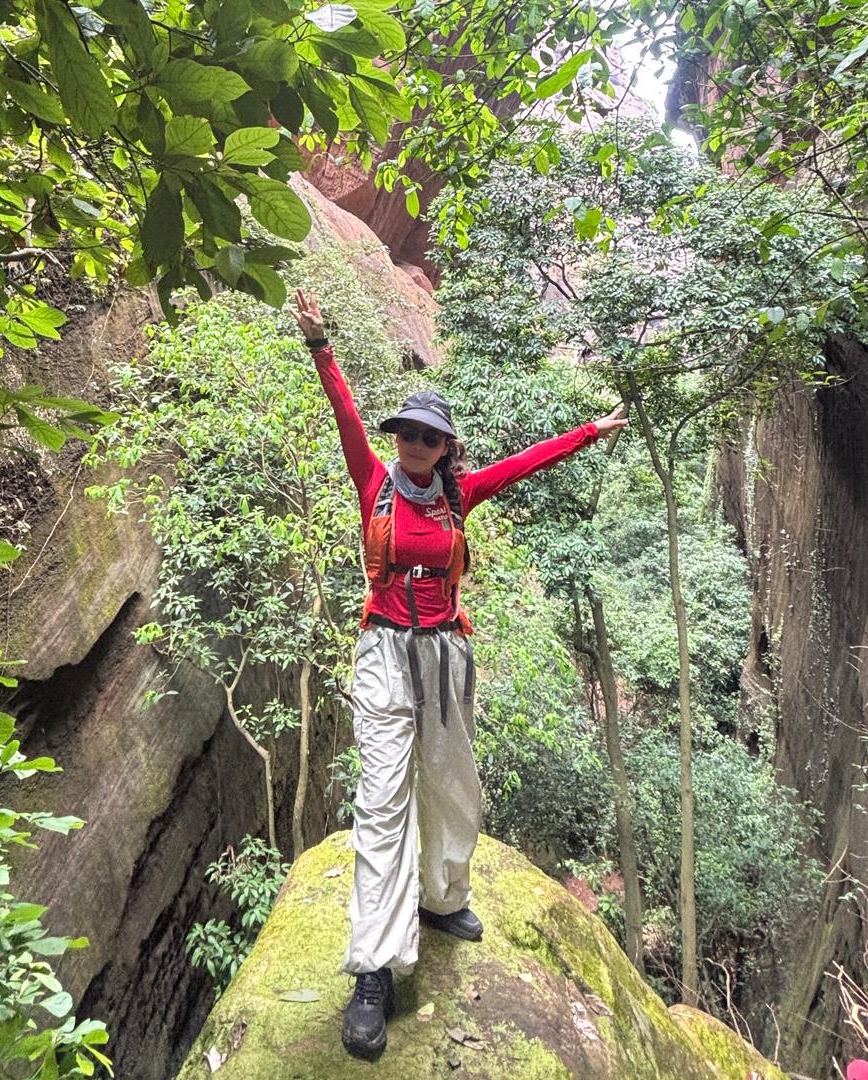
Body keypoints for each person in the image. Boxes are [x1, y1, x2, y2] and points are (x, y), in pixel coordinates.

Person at [292, 288, 628, 1059]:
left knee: (451, 785)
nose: (412, 442)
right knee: (382, 803)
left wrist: (587, 432)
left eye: (427, 436)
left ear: (445, 447)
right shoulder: (373, 481)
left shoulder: (457, 496)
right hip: (384, 653)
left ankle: (442, 900)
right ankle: (374, 970)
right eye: (406, 431)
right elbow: (344, 412)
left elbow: (526, 463)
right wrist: (321, 344)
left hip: (445, 655)